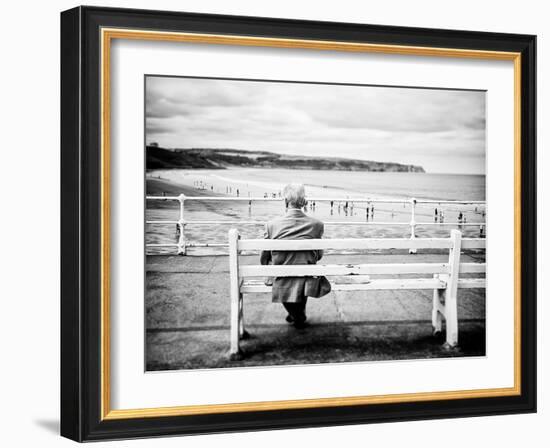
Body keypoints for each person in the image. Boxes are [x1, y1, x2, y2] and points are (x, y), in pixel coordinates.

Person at [260, 184, 324, 328]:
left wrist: (268, 265)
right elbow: (319, 256)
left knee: (284, 275)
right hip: (307, 275)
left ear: (285, 201)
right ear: (303, 201)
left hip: (281, 275)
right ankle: (298, 315)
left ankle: (296, 315)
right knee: (303, 274)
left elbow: (264, 257)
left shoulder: (271, 225)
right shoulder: (317, 225)